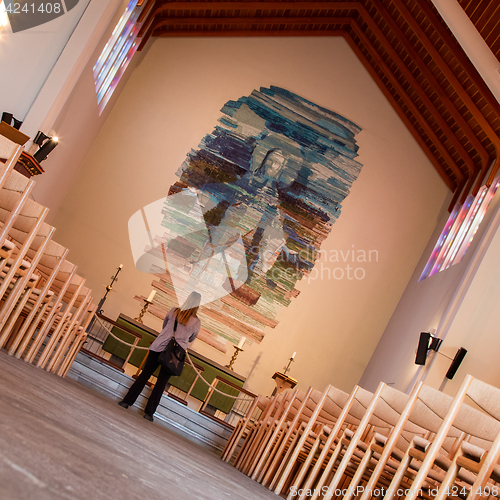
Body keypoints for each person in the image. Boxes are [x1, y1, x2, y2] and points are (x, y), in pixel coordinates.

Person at [118, 292, 201, 421]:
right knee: (161, 384)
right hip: (174, 354)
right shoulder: (196, 322)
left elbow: (164, 326)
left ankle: (127, 401)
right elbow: (191, 339)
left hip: (159, 347)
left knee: (144, 375)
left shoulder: (174, 311)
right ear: (198, 305)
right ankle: (149, 413)